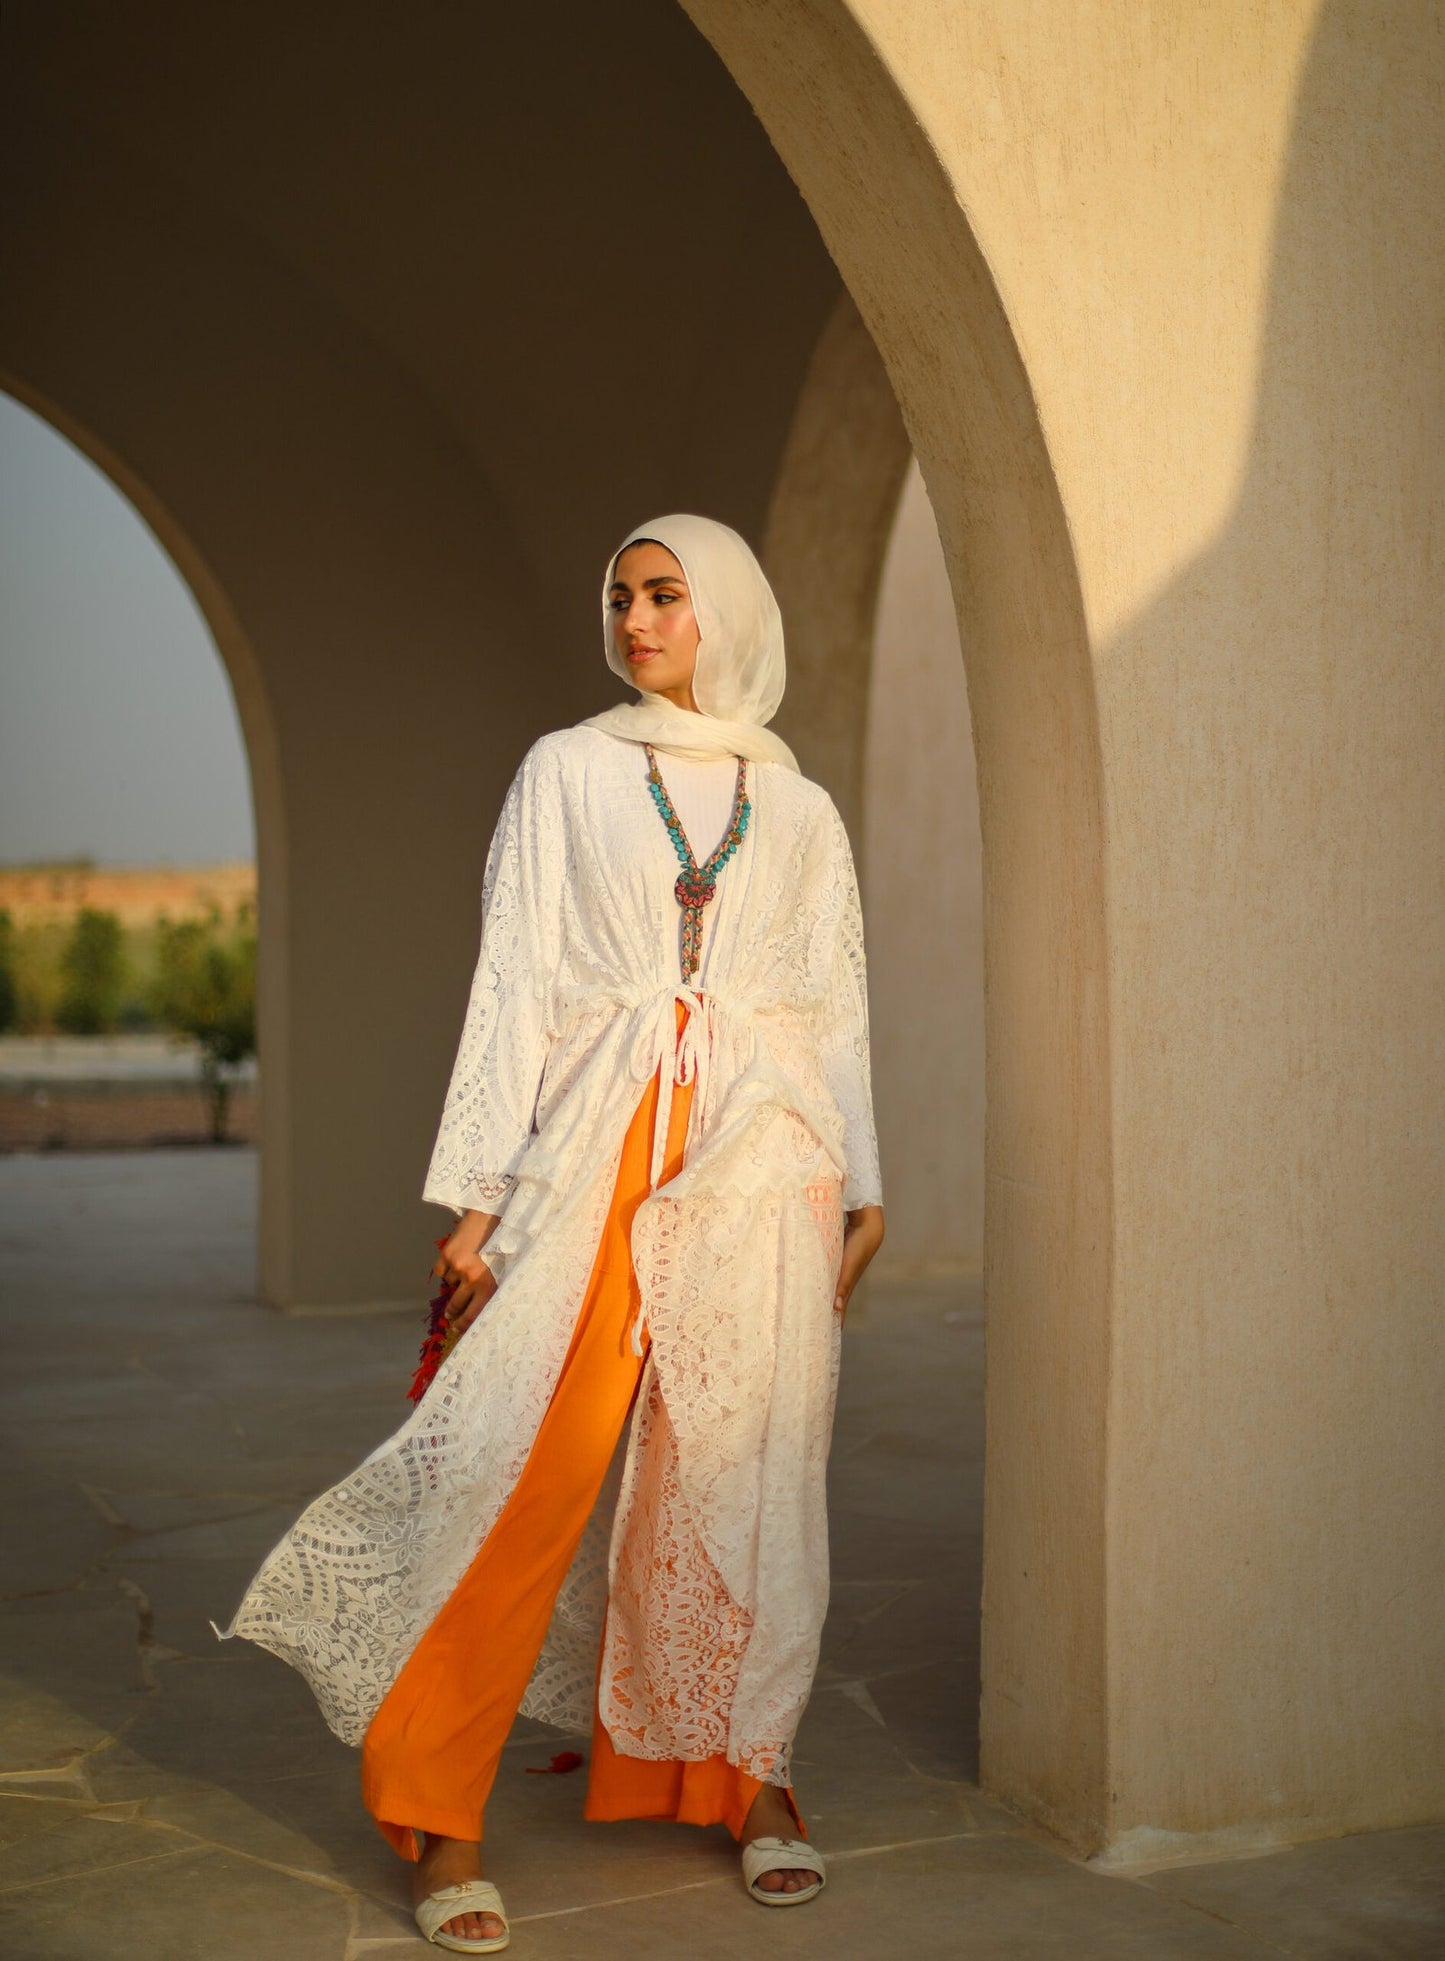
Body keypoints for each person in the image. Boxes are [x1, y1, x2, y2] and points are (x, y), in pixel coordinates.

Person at [220, 514, 885, 1952]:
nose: (636, 619)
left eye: (663, 595)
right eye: (620, 596)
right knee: (532, 1466)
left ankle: (748, 1779)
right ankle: (435, 1805)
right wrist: (483, 1193)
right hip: (595, 1146)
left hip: (765, 1158)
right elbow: (512, 982)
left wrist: (860, 1180)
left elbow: (831, 1005)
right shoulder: (568, 770)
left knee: (750, 1476)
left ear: (726, 612)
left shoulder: (803, 806)